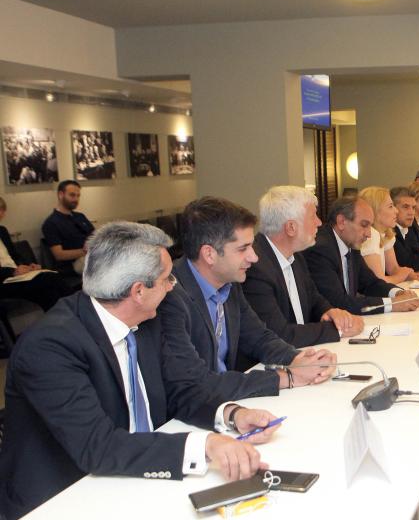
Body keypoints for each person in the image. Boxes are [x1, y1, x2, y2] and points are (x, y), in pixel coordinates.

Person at [0, 222, 282, 519]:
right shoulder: (49, 346)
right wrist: (205, 445)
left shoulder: (146, 319)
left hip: (134, 476)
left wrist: (231, 415)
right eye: (166, 278)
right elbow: (98, 446)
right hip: (64, 497)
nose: (173, 285)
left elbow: (177, 391)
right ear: (138, 291)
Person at [160, 196, 337, 384]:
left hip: (227, 394)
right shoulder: (170, 294)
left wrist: (301, 360)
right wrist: (287, 378)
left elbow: (259, 338)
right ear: (209, 254)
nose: (254, 257)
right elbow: (195, 381)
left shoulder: (229, 283)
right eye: (243, 248)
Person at [243, 186, 364, 348]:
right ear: (291, 227)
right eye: (313, 216)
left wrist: (330, 311)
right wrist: (338, 330)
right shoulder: (255, 267)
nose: (319, 223)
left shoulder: (297, 256)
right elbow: (279, 334)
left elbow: (314, 299)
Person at [304, 196, 419, 315]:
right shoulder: (320, 249)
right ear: (341, 222)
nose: (369, 234)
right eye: (364, 225)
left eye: (370, 226)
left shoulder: (351, 243)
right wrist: (392, 304)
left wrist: (397, 293)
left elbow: (370, 283)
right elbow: (338, 303)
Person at [0, 197, 72, 312]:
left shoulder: (2, 231)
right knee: (48, 280)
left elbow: (15, 255)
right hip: (3, 280)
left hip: (16, 276)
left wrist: (29, 265)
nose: (1, 214)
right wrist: (12, 272)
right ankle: (76, 313)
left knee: (50, 285)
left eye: (2, 210)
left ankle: (67, 317)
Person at [358, 186, 419, 283]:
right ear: (374, 210)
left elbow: (393, 269)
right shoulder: (370, 236)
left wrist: (412, 275)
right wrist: (404, 274)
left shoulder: (386, 233)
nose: (396, 211)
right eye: (390, 206)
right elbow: (378, 282)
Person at [41, 179, 94, 274]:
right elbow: (59, 255)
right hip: (73, 264)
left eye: (78, 196)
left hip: (91, 256)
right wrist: (86, 251)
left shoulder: (80, 216)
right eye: (72, 195)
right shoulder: (51, 223)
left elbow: (95, 235)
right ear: (61, 195)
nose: (76, 199)